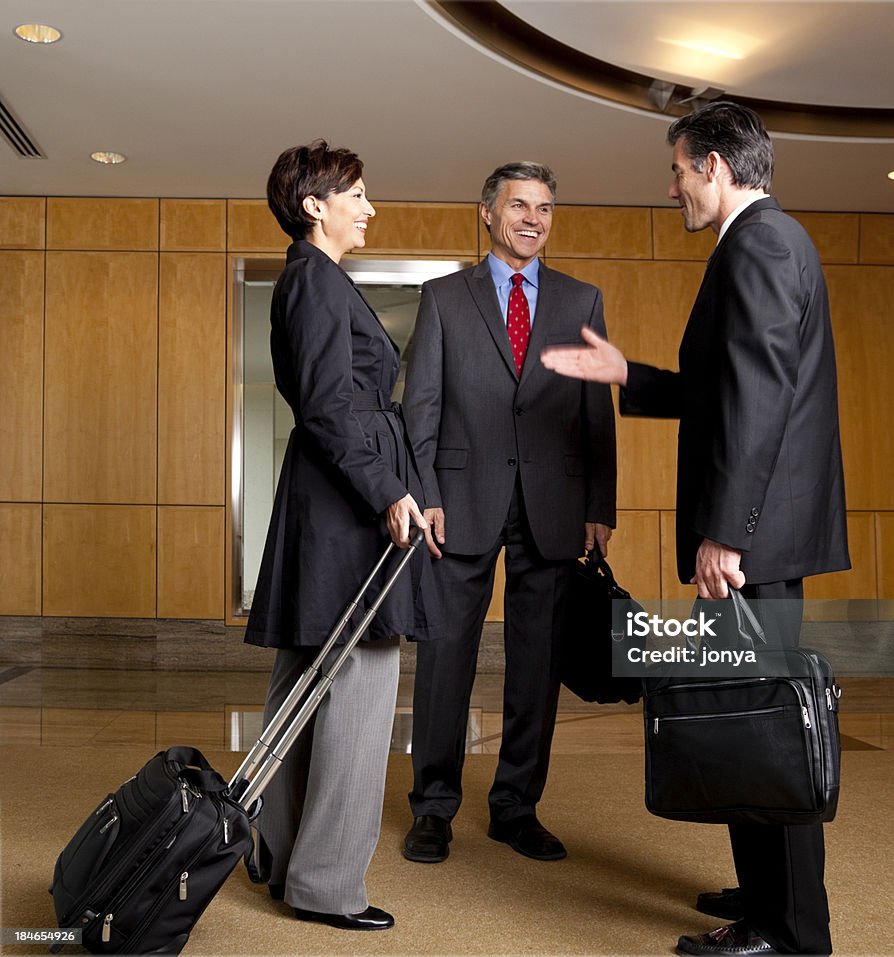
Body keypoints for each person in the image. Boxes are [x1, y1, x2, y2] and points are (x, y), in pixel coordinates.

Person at [541, 102, 849, 956]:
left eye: (677, 168)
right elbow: (723, 388)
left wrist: (729, 534)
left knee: (769, 722)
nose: (670, 184)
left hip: (754, 540)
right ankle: (764, 892)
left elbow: (755, 403)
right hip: (755, 534)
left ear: (714, 166)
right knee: (747, 716)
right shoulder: (759, 245)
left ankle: (789, 929)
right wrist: (625, 373)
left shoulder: (761, 244)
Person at [244, 140, 441, 932]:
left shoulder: (308, 280)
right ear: (314, 205)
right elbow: (329, 407)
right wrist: (390, 490)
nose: (369, 207)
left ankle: (282, 855)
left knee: (302, 685)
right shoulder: (316, 283)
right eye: (355, 194)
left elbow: (332, 406)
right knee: (359, 693)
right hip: (346, 514)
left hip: (327, 508)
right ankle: (325, 887)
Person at [400, 161, 617, 865]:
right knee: (446, 661)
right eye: (520, 204)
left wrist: (598, 503)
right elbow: (420, 409)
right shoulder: (442, 298)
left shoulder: (582, 301)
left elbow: (595, 415)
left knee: (537, 664)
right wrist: (426, 491)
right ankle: (433, 806)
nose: (533, 218)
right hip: (458, 504)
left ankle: (516, 806)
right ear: (488, 213)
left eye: (546, 207)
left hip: (553, 505)